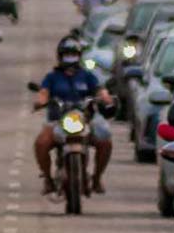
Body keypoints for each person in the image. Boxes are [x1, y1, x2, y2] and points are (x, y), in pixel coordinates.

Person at [33, 36, 114, 195]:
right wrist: (41, 101)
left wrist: (105, 98)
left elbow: (100, 90)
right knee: (41, 144)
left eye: (73, 55)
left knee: (105, 141)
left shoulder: (87, 76)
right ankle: (48, 180)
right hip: (58, 120)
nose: (70, 58)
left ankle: (97, 178)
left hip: (85, 119)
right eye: (67, 55)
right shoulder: (52, 77)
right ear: (60, 56)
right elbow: (43, 92)